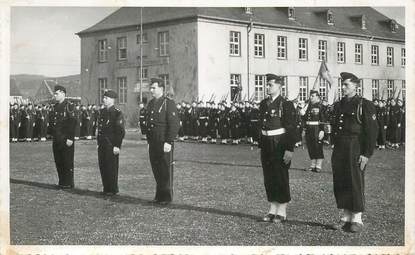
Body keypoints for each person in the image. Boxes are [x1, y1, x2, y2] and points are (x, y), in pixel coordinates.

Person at [329, 72, 378, 233]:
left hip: (355, 146)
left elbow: (371, 132)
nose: (343, 87)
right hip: (340, 147)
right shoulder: (338, 104)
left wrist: (366, 154)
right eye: (342, 84)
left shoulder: (364, 104)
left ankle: (357, 218)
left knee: (355, 181)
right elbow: (335, 125)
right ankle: (345, 217)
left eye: (346, 85)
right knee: (341, 180)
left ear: (356, 87)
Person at [258, 73, 296, 223]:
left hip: (279, 143)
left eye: (270, 85)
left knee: (280, 176)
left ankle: (282, 210)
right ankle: (272, 208)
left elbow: (291, 128)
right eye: (267, 84)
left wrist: (289, 148)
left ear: (280, 87)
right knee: (269, 176)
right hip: (266, 142)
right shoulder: (263, 103)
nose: (267, 87)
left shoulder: (285, 104)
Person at [146, 78, 180, 205]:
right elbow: (149, 124)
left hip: (163, 141)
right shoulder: (150, 104)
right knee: (156, 168)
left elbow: (174, 124)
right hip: (154, 141)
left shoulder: (168, 103)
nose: (151, 90)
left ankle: (166, 197)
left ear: (161, 88)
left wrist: (169, 141)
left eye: (154, 88)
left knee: (165, 169)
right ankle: (159, 195)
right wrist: (149, 141)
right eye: (151, 88)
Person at [97, 90, 125, 196]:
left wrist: (117, 145)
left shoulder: (117, 113)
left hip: (111, 145)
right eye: (103, 98)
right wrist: (98, 143)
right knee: (103, 166)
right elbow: (100, 129)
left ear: (112, 100)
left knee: (111, 167)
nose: (103, 100)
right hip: (102, 145)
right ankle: (106, 188)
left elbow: (120, 131)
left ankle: (113, 189)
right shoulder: (102, 112)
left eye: (106, 98)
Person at [50, 85, 77, 189]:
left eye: (56, 93)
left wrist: (70, 138)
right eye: (55, 93)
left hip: (66, 139)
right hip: (57, 139)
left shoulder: (69, 106)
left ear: (63, 93)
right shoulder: (55, 106)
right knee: (59, 161)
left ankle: (68, 183)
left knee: (67, 161)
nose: (55, 95)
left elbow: (73, 122)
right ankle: (62, 182)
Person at [302, 90, 326, 172]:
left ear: (317, 97)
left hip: (317, 128)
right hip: (309, 128)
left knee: (317, 146)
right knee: (311, 146)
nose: (310, 97)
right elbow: (306, 118)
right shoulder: (308, 106)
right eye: (310, 96)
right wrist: (303, 114)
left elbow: (323, 119)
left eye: (312, 96)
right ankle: (312, 165)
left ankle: (318, 165)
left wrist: (322, 130)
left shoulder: (321, 106)